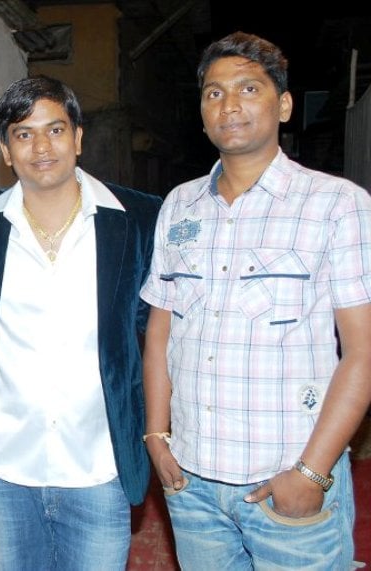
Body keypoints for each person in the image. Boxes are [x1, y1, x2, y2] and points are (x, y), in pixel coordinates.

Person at [140, 31, 371, 570]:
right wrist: (156, 434)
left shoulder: (337, 205)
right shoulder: (180, 206)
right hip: (192, 483)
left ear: (284, 104)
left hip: (286, 482)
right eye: (214, 93)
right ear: (201, 112)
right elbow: (160, 329)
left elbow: (362, 353)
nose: (230, 105)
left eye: (249, 88)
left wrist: (311, 474)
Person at [0, 77, 162, 570]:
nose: (41, 146)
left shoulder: (140, 219)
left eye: (55, 129)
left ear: (78, 137)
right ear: (5, 150)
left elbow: (171, 329)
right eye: (23, 134)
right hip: (5, 466)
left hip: (100, 464)